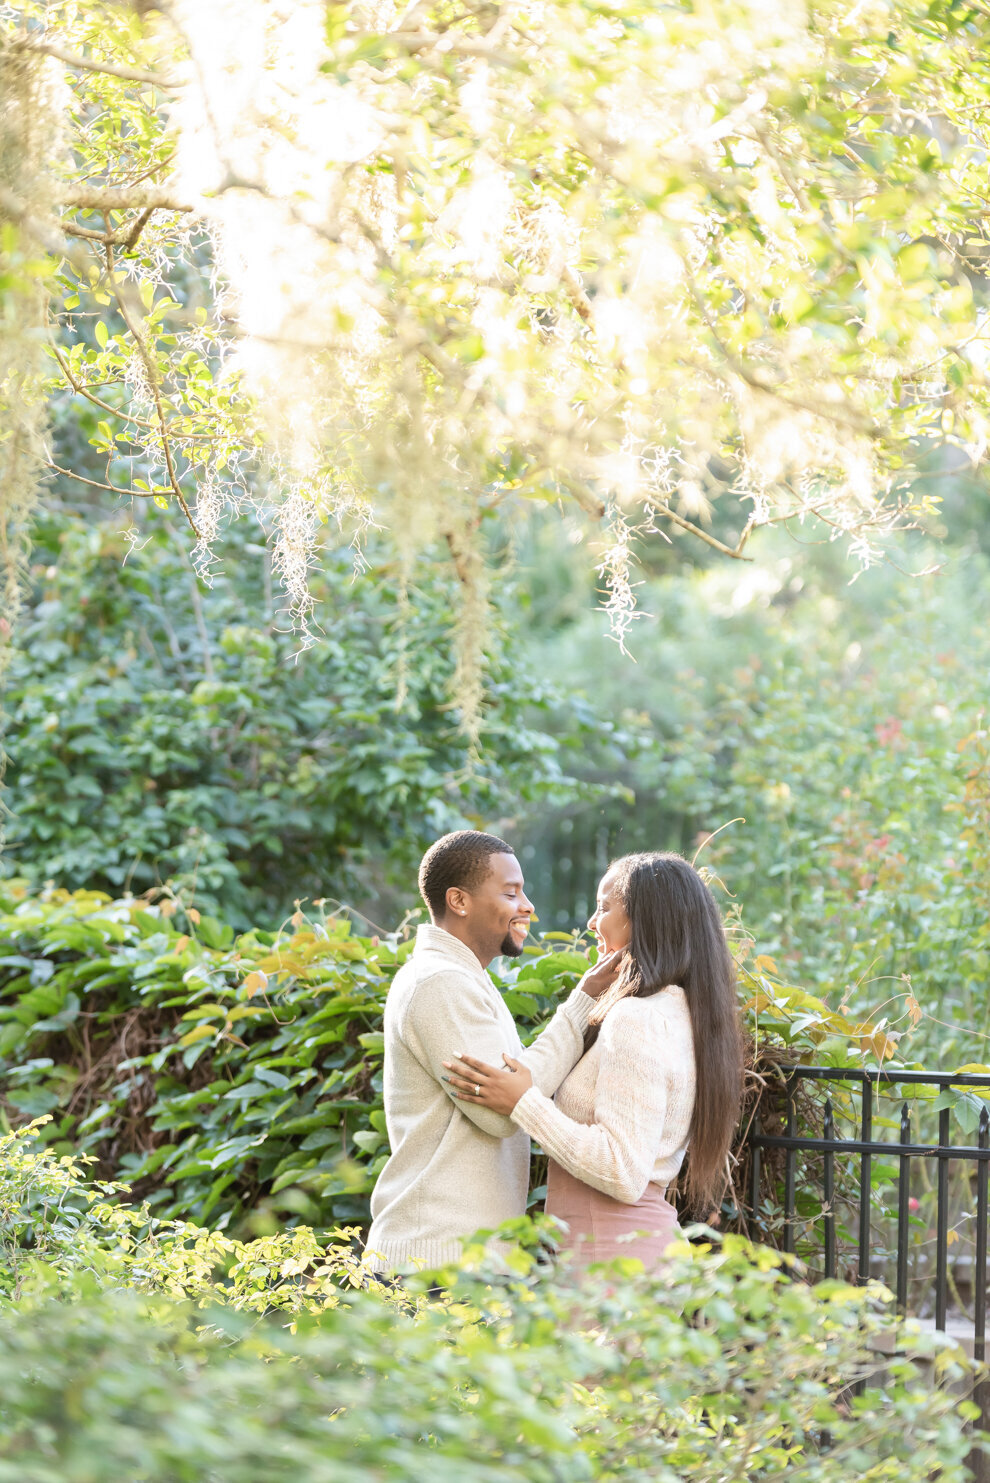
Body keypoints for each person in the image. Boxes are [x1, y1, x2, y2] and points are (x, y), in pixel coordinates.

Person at [444, 852, 743, 1270]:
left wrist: (523, 1104)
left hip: (612, 1255)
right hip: (626, 1249)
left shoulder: (637, 1018)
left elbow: (622, 1171)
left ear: (645, 919)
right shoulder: (681, 1012)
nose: (590, 922)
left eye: (604, 907)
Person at [364, 830, 621, 1273]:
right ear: (459, 902)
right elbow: (502, 1110)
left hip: (458, 1262)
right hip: (437, 1265)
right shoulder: (441, 983)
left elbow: (516, 1083)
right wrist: (580, 1004)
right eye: (510, 892)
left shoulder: (464, 977)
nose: (527, 906)